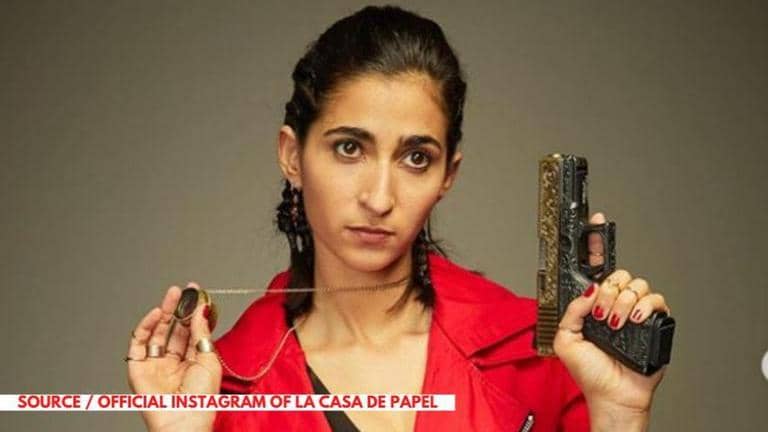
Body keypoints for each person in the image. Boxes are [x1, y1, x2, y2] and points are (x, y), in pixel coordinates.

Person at [126, 5, 671, 431]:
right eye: (349, 148)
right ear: (292, 156)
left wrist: (621, 415)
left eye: (415, 158)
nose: (380, 197)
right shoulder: (220, 388)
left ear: (447, 174)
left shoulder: (541, 353)